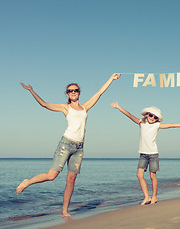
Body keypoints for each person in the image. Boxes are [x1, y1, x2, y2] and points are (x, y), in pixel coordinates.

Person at [16, 73, 121, 217]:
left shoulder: (85, 107)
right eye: (70, 91)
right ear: (67, 94)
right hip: (66, 144)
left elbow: (100, 93)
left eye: (75, 90)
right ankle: (27, 182)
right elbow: (44, 104)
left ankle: (65, 211)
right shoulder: (65, 108)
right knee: (52, 175)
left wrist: (111, 79)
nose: (73, 92)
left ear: (79, 93)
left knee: (71, 180)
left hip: (79, 148)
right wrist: (31, 90)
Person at [110, 102, 180, 205]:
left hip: (153, 154)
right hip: (143, 154)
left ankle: (154, 196)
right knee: (139, 175)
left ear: (157, 119)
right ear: (146, 115)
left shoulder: (157, 125)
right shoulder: (141, 123)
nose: (152, 118)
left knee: (152, 176)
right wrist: (118, 107)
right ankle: (147, 197)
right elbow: (130, 115)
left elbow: (171, 125)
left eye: (155, 117)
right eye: (151, 115)